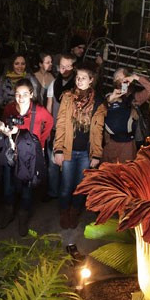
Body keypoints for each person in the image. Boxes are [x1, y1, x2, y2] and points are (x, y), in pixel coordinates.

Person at [0, 79, 53, 235]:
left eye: (24, 94)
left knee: (26, 188)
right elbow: (4, 124)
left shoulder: (39, 111)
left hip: (30, 156)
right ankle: (8, 213)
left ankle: (23, 218)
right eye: (17, 94)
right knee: (8, 186)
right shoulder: (10, 109)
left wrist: (41, 143)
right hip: (12, 152)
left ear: (31, 94)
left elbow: (49, 123)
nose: (20, 97)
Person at [53, 64, 102, 229]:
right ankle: (64, 212)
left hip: (85, 153)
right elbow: (60, 124)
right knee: (66, 186)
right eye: (78, 77)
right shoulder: (67, 97)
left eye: (83, 77)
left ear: (91, 80)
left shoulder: (98, 103)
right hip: (68, 150)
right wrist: (58, 149)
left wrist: (96, 154)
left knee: (81, 186)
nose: (79, 80)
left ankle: (74, 212)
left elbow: (98, 131)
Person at [93, 69, 150, 163]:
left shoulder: (135, 98)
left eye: (122, 77)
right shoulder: (110, 95)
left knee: (124, 172)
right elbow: (99, 109)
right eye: (116, 78)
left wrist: (135, 77)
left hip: (127, 145)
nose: (119, 80)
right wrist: (111, 99)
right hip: (110, 143)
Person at [44, 53, 77, 201]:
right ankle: (53, 192)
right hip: (56, 129)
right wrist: (49, 127)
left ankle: (67, 194)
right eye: (62, 66)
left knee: (69, 165)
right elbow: (49, 107)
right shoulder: (54, 84)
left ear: (74, 67)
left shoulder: (78, 85)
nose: (65, 70)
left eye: (68, 66)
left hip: (72, 131)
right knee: (53, 164)